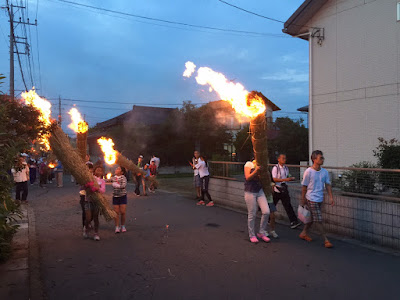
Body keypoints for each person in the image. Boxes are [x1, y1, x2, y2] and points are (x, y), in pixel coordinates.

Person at [300, 150, 334, 248]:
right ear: (314, 159)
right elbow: (304, 187)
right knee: (318, 220)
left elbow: (327, 185)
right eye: (321, 158)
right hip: (311, 198)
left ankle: (304, 233)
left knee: (311, 218)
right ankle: (326, 240)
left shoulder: (324, 172)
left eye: (322, 157)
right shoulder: (308, 172)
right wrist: (303, 199)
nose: (323, 159)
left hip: (320, 198)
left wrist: (331, 197)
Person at [244, 157, 270, 243]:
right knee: (252, 213)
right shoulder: (249, 164)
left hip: (259, 190)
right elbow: (247, 177)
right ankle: (252, 234)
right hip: (250, 191)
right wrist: (256, 170)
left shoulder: (262, 166)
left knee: (266, 211)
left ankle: (261, 232)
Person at [271, 154, 301, 229]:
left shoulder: (286, 168)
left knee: (288, 205)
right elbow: (274, 179)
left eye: (285, 158)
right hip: (277, 189)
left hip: (284, 189)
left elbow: (287, 176)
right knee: (272, 204)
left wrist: (290, 178)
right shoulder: (275, 168)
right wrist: (285, 180)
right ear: (278, 159)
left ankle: (293, 221)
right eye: (283, 158)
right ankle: (269, 218)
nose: (284, 160)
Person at [83, 166, 105, 241]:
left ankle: (96, 233)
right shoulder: (90, 178)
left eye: (100, 171)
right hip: (88, 200)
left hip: (97, 201)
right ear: (94, 171)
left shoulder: (102, 181)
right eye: (97, 170)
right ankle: (86, 228)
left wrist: (97, 188)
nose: (99, 172)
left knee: (96, 217)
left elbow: (103, 190)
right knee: (88, 218)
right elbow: (84, 186)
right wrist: (88, 185)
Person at [112, 166, 128, 233]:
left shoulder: (123, 178)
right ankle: (117, 227)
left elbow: (123, 185)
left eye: (118, 169)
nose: (116, 169)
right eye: (116, 168)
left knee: (123, 212)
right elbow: (107, 180)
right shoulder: (113, 177)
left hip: (122, 196)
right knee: (116, 213)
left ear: (122, 172)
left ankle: (123, 225)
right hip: (115, 197)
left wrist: (117, 185)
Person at [80, 163, 94, 236]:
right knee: (85, 211)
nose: (88, 170)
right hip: (83, 195)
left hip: (92, 196)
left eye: (89, 168)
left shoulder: (93, 176)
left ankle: (89, 222)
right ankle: (84, 226)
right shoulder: (82, 176)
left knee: (92, 212)